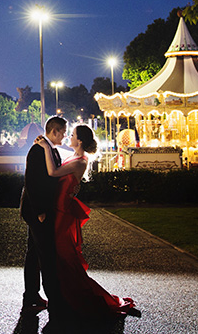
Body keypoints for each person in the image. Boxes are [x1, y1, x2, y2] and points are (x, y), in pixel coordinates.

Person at [36, 125, 139, 323]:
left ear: (80, 141)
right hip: (59, 209)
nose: (69, 136)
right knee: (62, 256)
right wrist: (49, 144)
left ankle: (79, 298)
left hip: (63, 212)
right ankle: (66, 298)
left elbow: (53, 172)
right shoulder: (75, 156)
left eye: (73, 135)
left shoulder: (80, 161)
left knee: (65, 255)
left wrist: (46, 147)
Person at [20, 116, 67, 319]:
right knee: (46, 255)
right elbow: (32, 182)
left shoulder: (47, 149)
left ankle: (31, 296)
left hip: (37, 210)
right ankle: (54, 300)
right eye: (63, 132)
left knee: (34, 254)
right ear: (54, 131)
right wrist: (40, 211)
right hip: (38, 211)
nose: (64, 136)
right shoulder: (38, 150)